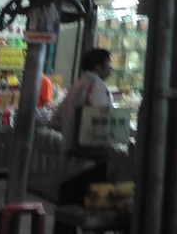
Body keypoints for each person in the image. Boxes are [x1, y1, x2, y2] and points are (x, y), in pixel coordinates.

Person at [52, 49, 115, 234]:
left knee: (67, 216)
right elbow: (96, 125)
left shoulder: (76, 85)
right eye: (108, 63)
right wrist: (109, 151)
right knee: (93, 218)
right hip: (89, 162)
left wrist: (69, 130)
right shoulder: (96, 86)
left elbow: (55, 120)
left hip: (70, 160)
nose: (111, 68)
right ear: (98, 66)